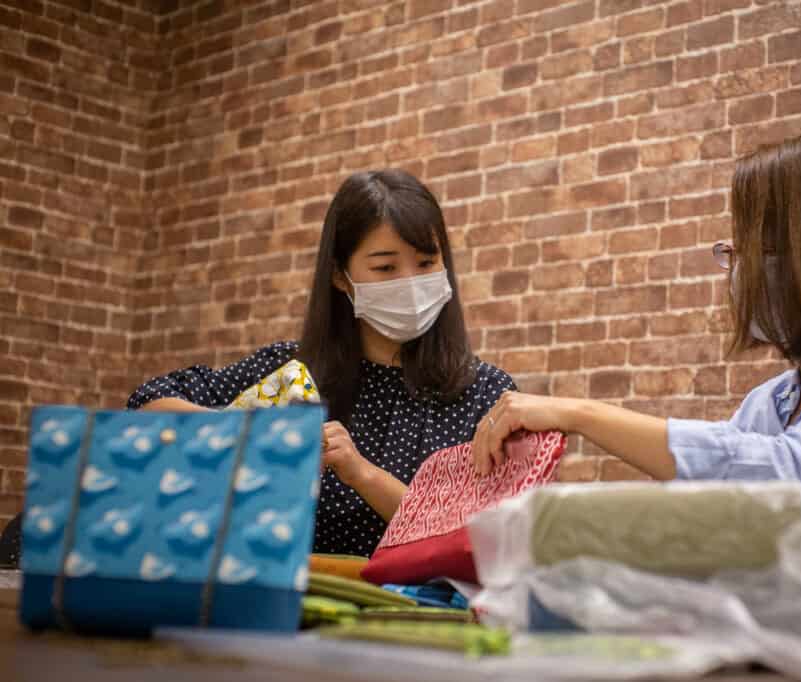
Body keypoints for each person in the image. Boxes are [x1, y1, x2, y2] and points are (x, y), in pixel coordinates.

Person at [471, 133, 801, 651]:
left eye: (755, 248)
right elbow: (713, 522)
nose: (739, 272)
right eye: (735, 251)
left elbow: (787, 479)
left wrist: (580, 414)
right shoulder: (770, 404)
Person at [130, 169, 515, 557]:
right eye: (385, 268)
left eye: (427, 263)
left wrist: (361, 474)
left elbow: (478, 538)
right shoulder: (290, 371)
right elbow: (149, 402)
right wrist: (250, 434)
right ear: (340, 276)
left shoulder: (488, 396)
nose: (410, 282)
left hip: (422, 613)